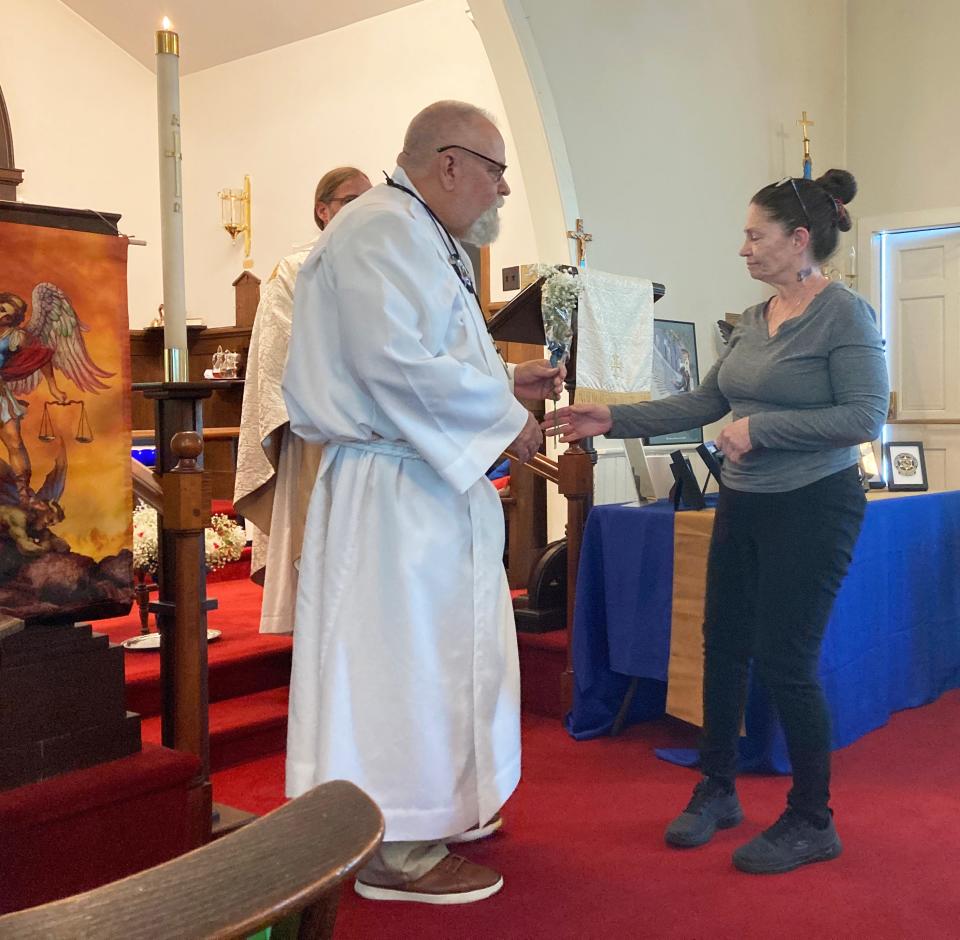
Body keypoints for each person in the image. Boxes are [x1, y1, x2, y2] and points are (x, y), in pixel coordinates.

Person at [545, 170, 889, 875]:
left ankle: (812, 818)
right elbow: (702, 404)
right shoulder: (751, 319)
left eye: (754, 235)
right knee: (722, 644)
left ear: (799, 241)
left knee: (787, 659)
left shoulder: (846, 315)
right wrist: (612, 418)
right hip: (745, 500)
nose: (743, 248)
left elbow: (863, 417)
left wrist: (763, 429)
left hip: (815, 504)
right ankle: (718, 786)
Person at [282, 101, 564, 903]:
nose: (501, 193)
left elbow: (427, 357)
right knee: (400, 669)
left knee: (437, 661)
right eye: (496, 174)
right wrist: (511, 423)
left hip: (420, 484)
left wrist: (505, 383)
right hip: (393, 500)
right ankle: (393, 849)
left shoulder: (416, 234)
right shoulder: (380, 229)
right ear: (449, 163)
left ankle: (437, 809)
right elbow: (393, 363)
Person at [233, 167, 372, 634]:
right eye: (352, 200)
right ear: (324, 210)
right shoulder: (296, 269)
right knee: (322, 554)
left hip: (377, 432)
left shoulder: (382, 269)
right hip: (321, 432)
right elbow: (284, 350)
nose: (364, 210)